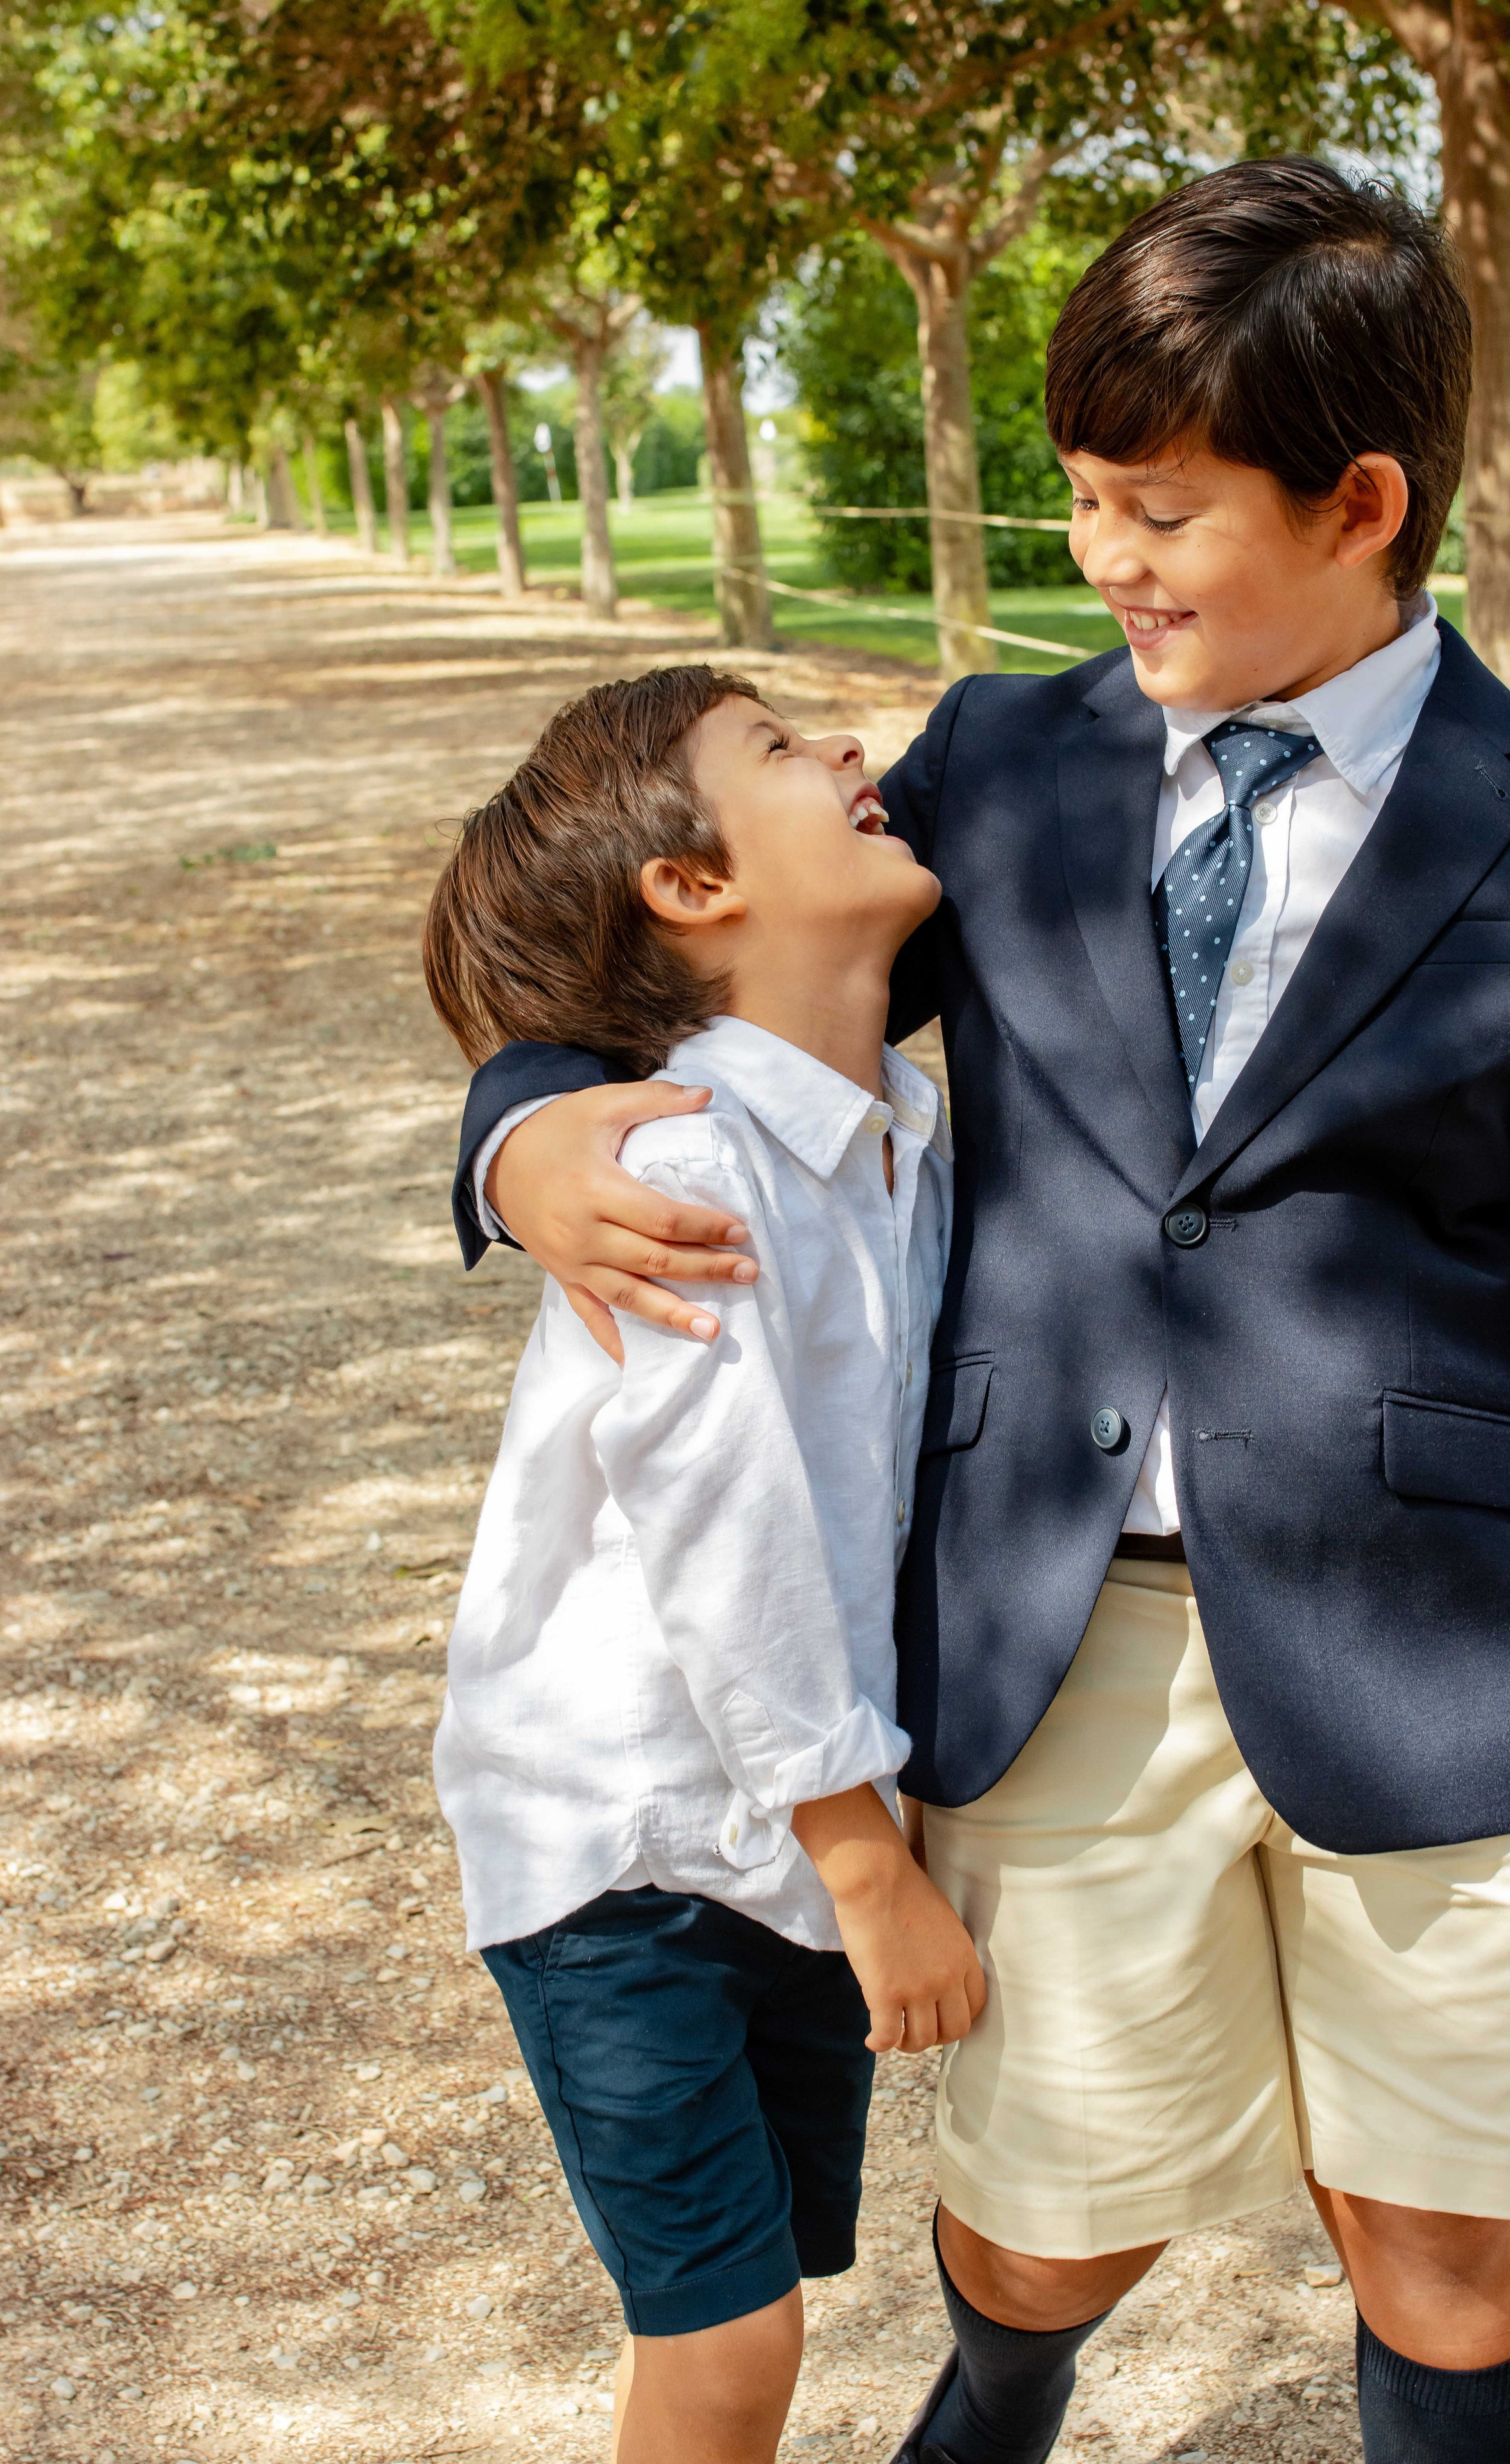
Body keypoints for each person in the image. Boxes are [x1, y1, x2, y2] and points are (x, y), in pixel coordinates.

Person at [447, 160, 1510, 2464]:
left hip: (1444, 1649)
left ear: (1363, 503)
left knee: (1451, 2251)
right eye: (1084, 495)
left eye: (1161, 511)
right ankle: (983, 2421)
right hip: (1057, 1633)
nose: (1104, 555)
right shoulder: (999, 770)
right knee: (1045, 2230)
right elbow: (676, 945)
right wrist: (522, 1134)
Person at [422, 664, 986, 2464]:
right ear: (691, 886)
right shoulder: (687, 1173)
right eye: (780, 749)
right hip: (628, 1838)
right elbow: (730, 1541)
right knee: (727, 2338)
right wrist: (870, 1863)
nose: (854, 747)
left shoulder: (900, 1137)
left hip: (787, 1835)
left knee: (761, 2301)